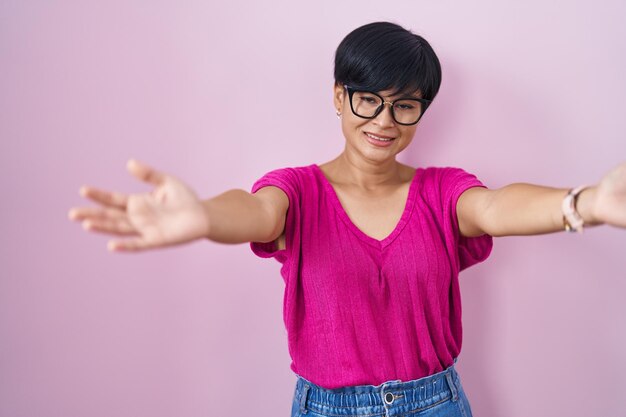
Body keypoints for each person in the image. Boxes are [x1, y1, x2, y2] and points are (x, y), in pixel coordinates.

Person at [68, 21, 625, 417]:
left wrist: (584, 204)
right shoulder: (298, 190)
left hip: (435, 404)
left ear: (420, 112)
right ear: (339, 96)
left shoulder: (441, 191)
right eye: (368, 99)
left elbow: (498, 206)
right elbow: (257, 212)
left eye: (404, 105)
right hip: (326, 408)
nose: (385, 120)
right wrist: (206, 217)